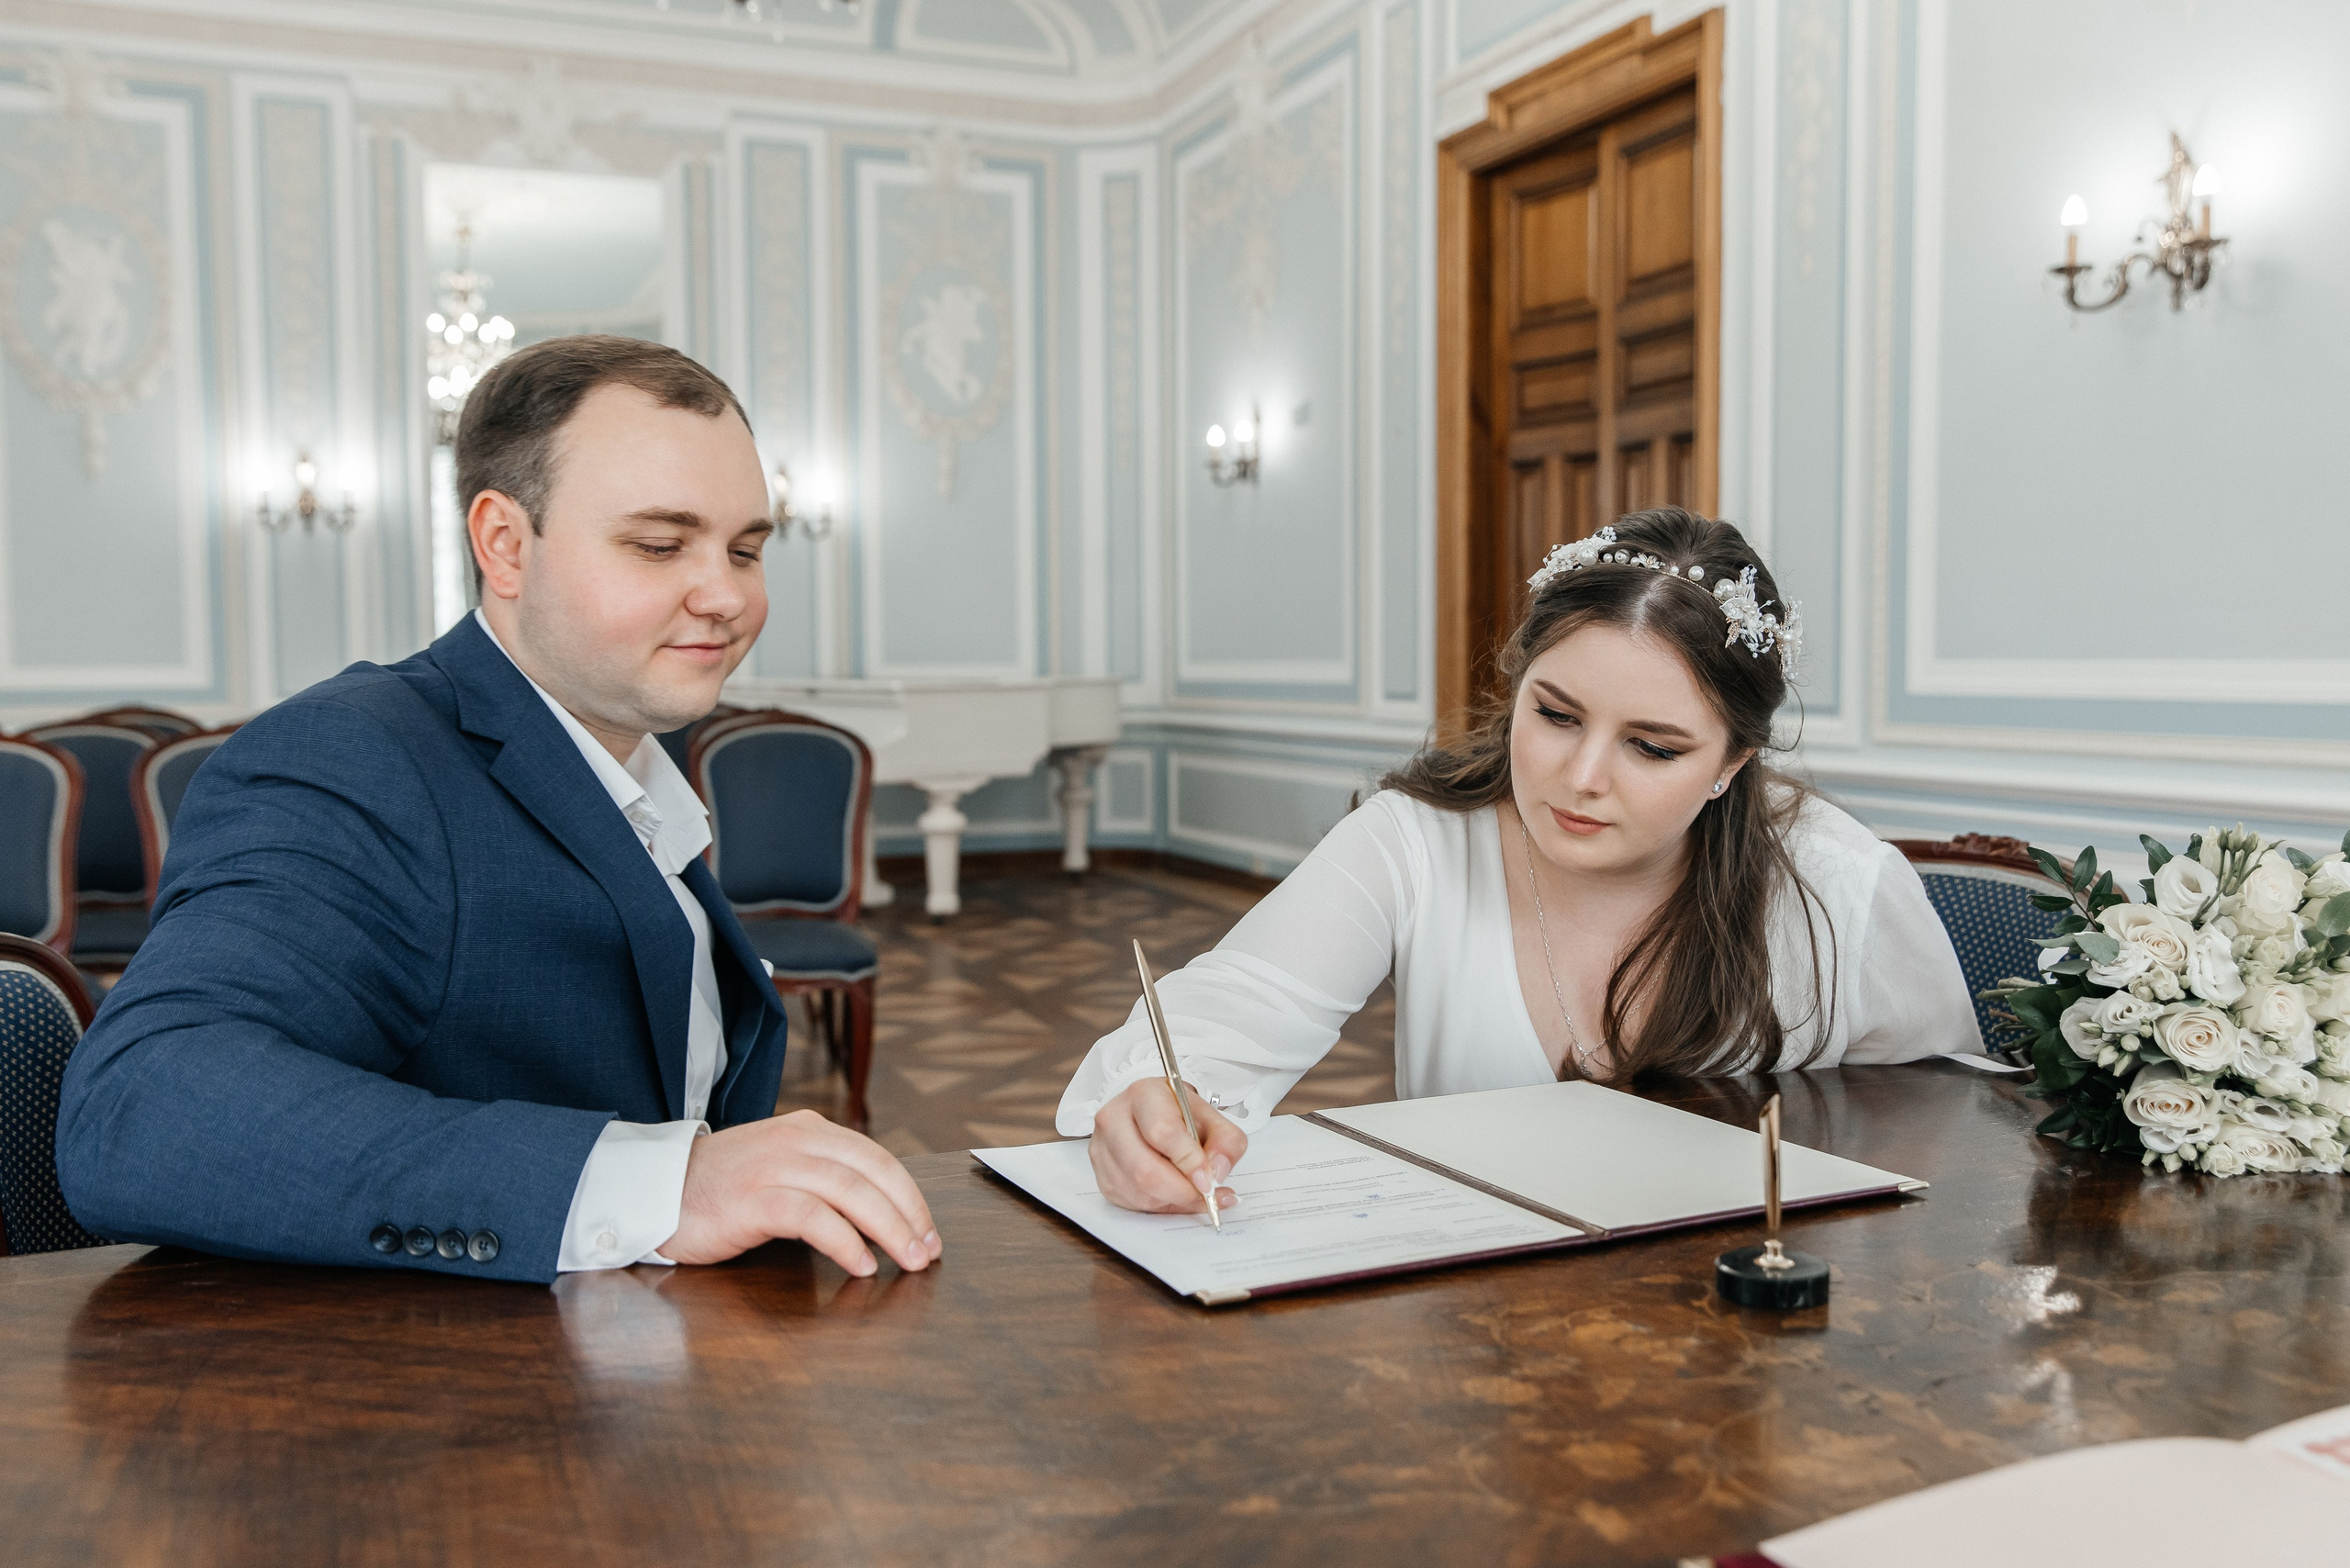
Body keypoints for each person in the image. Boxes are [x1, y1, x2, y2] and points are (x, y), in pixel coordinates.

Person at [57, 335, 941, 1283]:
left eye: (746, 548)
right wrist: (659, 1185)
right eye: (658, 544)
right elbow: (142, 1110)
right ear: (505, 544)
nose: (726, 594)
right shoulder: (354, 758)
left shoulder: (633, 744)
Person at [1062, 507, 1979, 1215]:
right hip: (1476, 1341)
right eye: (1556, 714)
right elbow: (1214, 1022)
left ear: (1731, 765)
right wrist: (1160, 1099)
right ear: (1514, 679)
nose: (1580, 779)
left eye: (1652, 748)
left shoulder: (1838, 887)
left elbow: (1943, 1142)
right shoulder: (1414, 841)